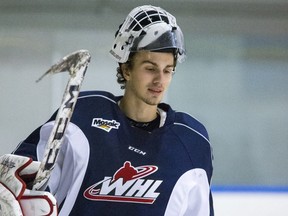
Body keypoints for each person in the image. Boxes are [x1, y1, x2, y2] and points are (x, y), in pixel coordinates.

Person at [0, 5, 214, 216]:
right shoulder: (81, 116)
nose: (160, 80)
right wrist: (20, 197)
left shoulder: (191, 141)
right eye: (150, 68)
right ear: (126, 68)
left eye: (168, 70)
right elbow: (21, 177)